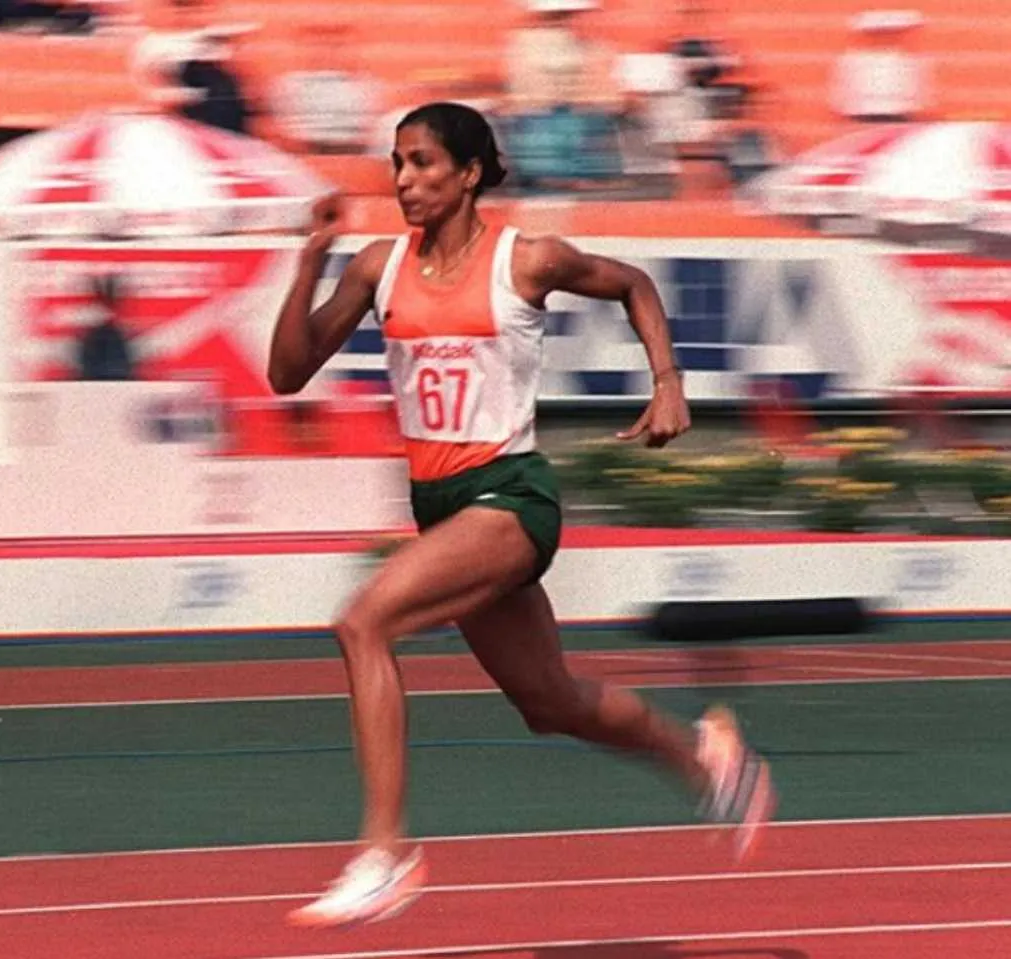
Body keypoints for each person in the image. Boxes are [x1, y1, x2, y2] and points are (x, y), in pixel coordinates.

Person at [268, 101, 775, 929]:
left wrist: (668, 379)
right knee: (550, 703)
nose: (404, 180)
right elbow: (287, 373)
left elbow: (632, 283)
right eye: (397, 164)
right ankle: (706, 755)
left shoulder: (526, 259)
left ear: (469, 174)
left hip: (510, 497)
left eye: (424, 163)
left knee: (363, 622)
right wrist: (309, 262)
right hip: (443, 511)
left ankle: (385, 851)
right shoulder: (375, 267)